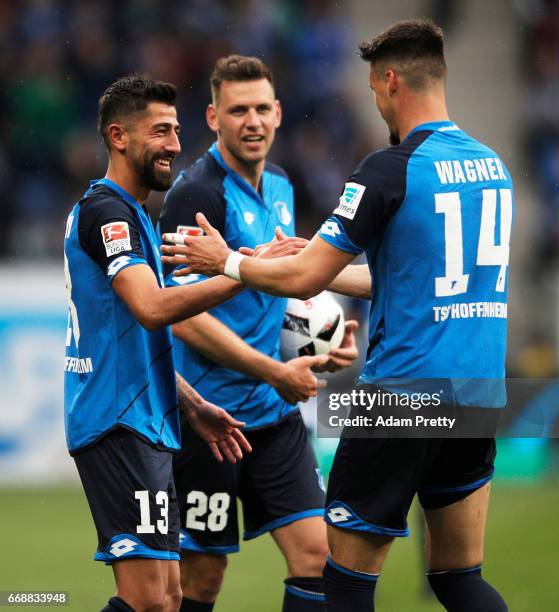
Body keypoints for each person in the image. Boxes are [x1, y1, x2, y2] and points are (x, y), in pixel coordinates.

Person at [161, 21, 512, 612]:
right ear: (214, 117)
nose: (375, 102)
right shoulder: (491, 166)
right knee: (458, 577)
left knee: (342, 581)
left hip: (399, 392)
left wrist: (229, 263)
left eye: (375, 88)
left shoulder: (385, 168)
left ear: (390, 80)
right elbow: (398, 278)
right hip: (476, 392)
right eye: (238, 109)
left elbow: (302, 279)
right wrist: (311, 326)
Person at [158, 55, 359, 612]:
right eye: (238, 110)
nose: (252, 121)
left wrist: (320, 343)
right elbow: (179, 312)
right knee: (201, 579)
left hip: (272, 416)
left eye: (261, 109)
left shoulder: (280, 184)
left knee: (318, 556)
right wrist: (274, 369)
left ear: (279, 113)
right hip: (209, 420)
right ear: (213, 117)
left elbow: (279, 287)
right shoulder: (195, 194)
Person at [64, 73, 261, 612]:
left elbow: (129, 341)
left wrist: (192, 404)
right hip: (116, 423)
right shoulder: (107, 213)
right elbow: (150, 308)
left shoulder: (136, 216)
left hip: (148, 422)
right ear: (119, 136)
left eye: (176, 130)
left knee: (171, 596)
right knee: (150, 600)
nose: (176, 144)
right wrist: (244, 271)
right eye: (160, 131)